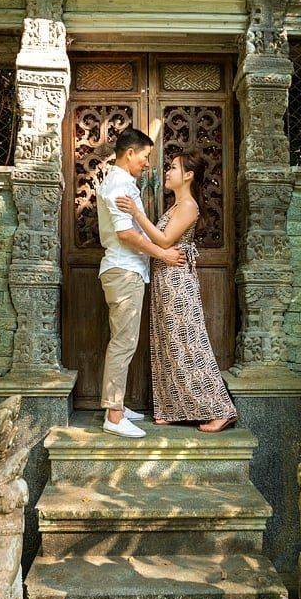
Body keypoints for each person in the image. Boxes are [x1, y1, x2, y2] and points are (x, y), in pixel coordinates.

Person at [117, 148, 237, 433]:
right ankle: (173, 409)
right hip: (165, 279)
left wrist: (136, 212)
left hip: (178, 282)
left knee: (189, 344)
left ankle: (221, 410)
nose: (167, 172)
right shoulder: (176, 206)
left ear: (188, 175)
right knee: (168, 343)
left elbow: (164, 240)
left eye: (173, 167)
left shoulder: (188, 206)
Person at [96, 128, 186, 439]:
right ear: (130, 153)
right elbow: (126, 234)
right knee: (123, 343)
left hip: (127, 270)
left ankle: (117, 406)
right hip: (123, 271)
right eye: (145, 157)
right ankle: (114, 415)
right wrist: (163, 253)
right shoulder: (119, 184)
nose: (147, 163)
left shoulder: (121, 182)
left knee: (125, 341)